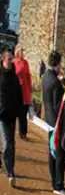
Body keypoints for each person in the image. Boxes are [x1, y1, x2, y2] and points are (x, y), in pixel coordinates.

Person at [42, 51, 65, 195]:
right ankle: (58, 185)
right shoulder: (56, 82)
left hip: (48, 118)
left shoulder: (45, 76)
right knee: (58, 153)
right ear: (58, 63)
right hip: (56, 121)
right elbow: (58, 106)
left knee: (52, 152)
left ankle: (54, 182)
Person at [1, 50, 23, 185]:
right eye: (9, 59)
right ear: (3, 60)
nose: (11, 61)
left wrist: (20, 110)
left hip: (11, 114)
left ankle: (10, 170)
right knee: (6, 142)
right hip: (1, 112)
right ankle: (9, 170)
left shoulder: (14, 76)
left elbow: (18, 94)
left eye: (12, 59)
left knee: (10, 143)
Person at [14, 49, 32, 140]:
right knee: (16, 112)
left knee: (24, 113)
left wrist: (30, 90)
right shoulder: (14, 63)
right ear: (17, 53)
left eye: (23, 52)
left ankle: (23, 133)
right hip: (16, 90)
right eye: (21, 52)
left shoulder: (25, 63)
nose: (23, 53)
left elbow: (28, 76)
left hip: (25, 90)